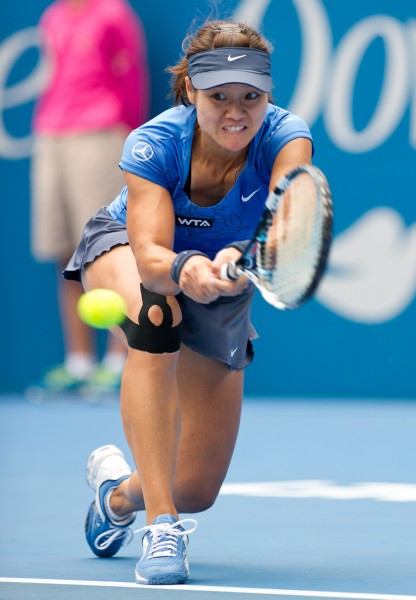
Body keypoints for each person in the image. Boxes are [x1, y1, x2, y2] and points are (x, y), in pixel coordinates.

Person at [64, 19, 313, 584]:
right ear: (189, 92)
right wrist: (186, 267)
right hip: (128, 250)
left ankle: (119, 498)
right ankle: (160, 528)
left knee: (196, 488)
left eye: (250, 96)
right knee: (159, 312)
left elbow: (287, 225)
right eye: (218, 96)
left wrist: (236, 259)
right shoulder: (153, 143)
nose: (235, 111)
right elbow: (151, 253)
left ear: (268, 95)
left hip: (221, 278)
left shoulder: (287, 136)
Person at [29, 0, 150, 397]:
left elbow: (132, 79)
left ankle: (118, 360)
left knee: (108, 248)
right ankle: (78, 362)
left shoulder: (114, 14)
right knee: (63, 252)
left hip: (100, 135)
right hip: (51, 136)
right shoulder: (53, 17)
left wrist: (129, 140)